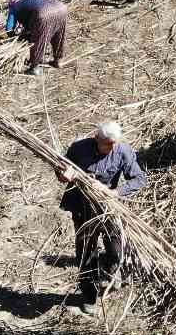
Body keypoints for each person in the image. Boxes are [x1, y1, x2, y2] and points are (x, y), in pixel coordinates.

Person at [57, 121, 146, 316]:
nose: (111, 147)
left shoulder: (123, 151)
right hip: (82, 208)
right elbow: (61, 171)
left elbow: (139, 179)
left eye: (114, 143)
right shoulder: (79, 149)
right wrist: (64, 175)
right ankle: (89, 297)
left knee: (115, 247)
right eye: (107, 143)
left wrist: (114, 192)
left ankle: (114, 270)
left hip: (108, 208)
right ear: (96, 138)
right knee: (86, 253)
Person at [4, 0, 68, 75]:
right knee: (58, 35)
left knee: (38, 39)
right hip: (61, 8)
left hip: (45, 12)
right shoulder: (29, 0)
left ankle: (34, 68)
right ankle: (57, 61)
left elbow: (9, 29)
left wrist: (15, 37)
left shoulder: (13, 6)